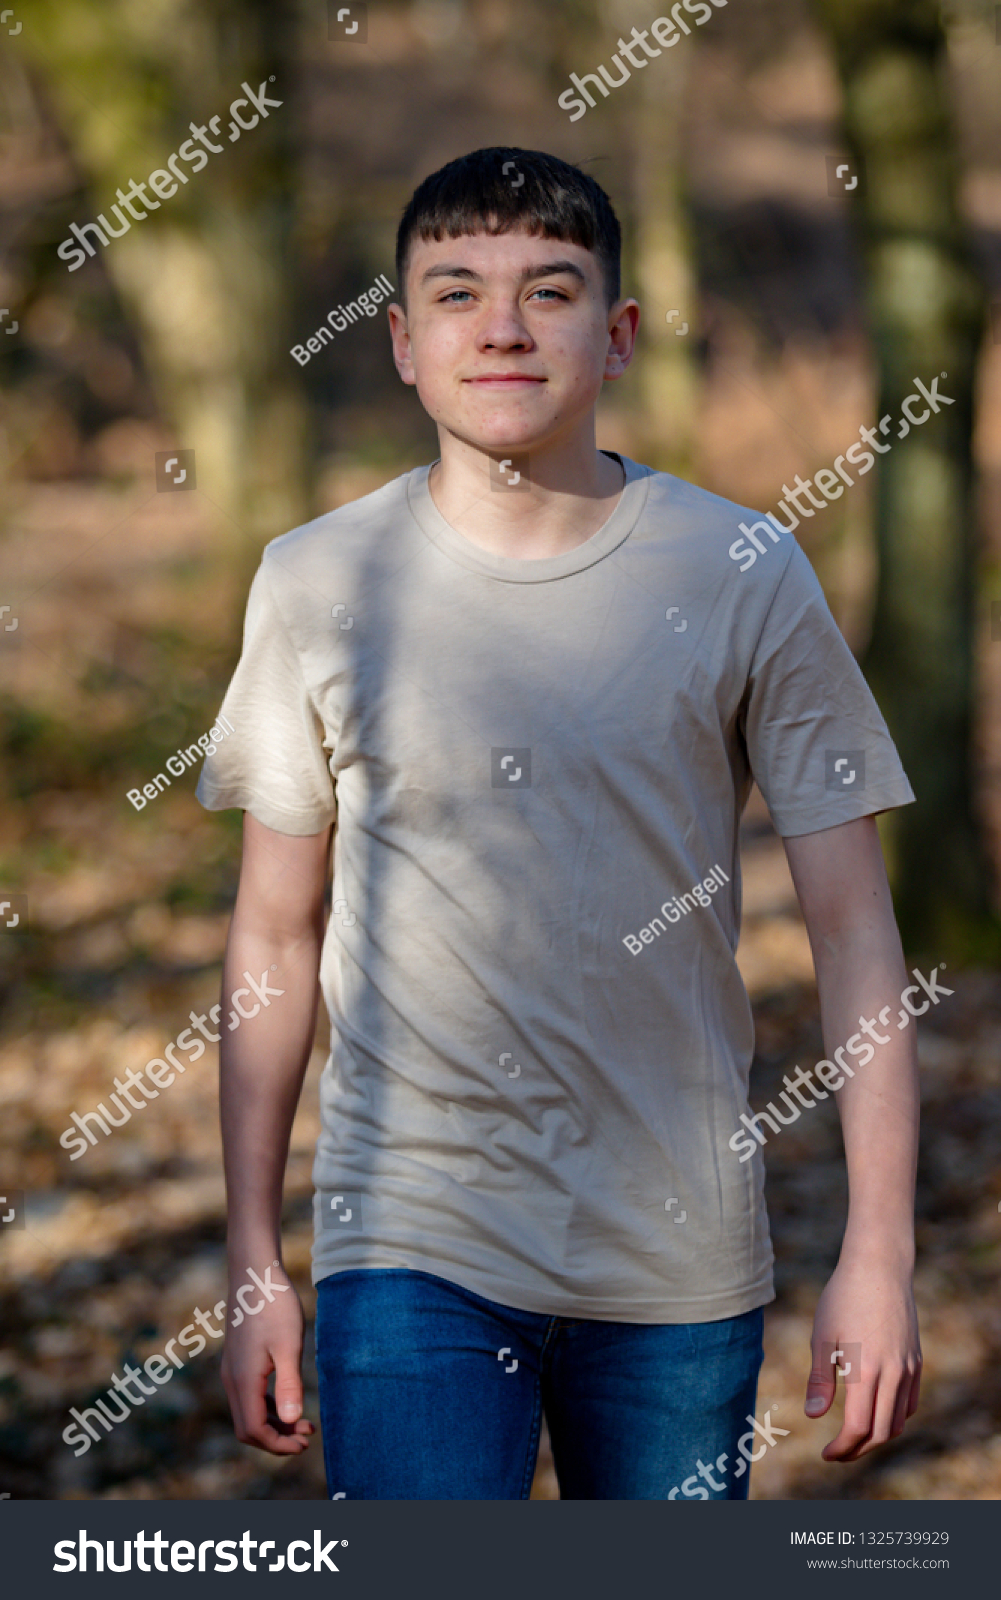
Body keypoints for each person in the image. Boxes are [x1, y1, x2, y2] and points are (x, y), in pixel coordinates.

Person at [196, 146, 922, 1500]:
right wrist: (251, 1263)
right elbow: (271, 940)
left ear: (619, 333)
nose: (505, 325)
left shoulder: (741, 569)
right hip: (409, 1238)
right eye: (458, 293)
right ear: (403, 344)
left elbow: (853, 931)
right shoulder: (316, 579)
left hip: (676, 1251)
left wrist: (876, 1255)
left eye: (550, 288)